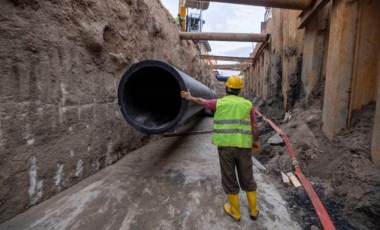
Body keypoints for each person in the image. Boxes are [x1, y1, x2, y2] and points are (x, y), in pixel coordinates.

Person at [180, 76, 260, 222]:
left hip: (225, 147)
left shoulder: (219, 103)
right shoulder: (248, 105)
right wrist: (255, 141)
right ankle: (253, 210)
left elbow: (201, 101)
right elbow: (255, 127)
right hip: (244, 147)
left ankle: (235, 212)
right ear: (240, 90)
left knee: (229, 177)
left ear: (226, 88)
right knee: (247, 177)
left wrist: (188, 96)